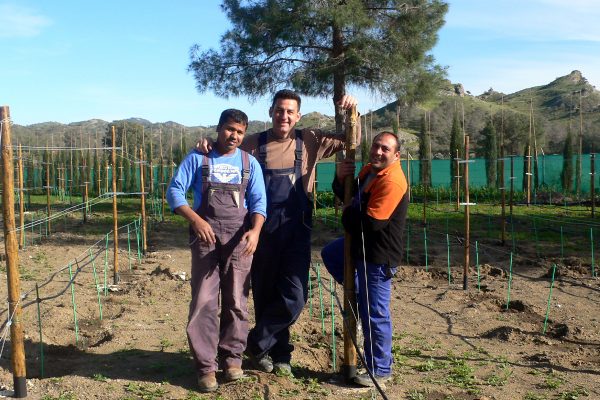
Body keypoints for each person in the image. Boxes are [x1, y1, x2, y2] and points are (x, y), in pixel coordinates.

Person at [199, 89, 358, 375]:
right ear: (270, 112)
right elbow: (224, 147)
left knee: (295, 295)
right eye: (278, 110)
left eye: (289, 111)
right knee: (265, 292)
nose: (283, 116)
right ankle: (277, 355)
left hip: (297, 229)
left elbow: (351, 139)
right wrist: (205, 144)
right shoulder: (253, 143)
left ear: (298, 116)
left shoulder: (312, 139)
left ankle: (254, 342)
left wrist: (351, 112)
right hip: (260, 230)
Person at [166, 109, 266, 392]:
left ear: (244, 135)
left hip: (240, 240)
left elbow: (259, 201)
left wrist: (256, 231)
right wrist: (196, 220)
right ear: (218, 128)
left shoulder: (250, 163)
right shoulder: (199, 158)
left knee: (237, 299)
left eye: (239, 132)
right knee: (204, 301)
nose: (233, 136)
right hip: (206, 238)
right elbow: (175, 191)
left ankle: (233, 359)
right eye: (229, 129)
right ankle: (206, 367)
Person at [320, 131, 409, 387]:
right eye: (376, 147)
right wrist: (339, 179)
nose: (378, 152)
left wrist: (348, 213)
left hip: (378, 255)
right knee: (331, 253)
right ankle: (358, 295)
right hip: (359, 246)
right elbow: (346, 196)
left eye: (385, 149)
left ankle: (380, 370)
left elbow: (371, 223)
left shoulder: (392, 181)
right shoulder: (370, 170)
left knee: (376, 314)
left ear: (396, 155)